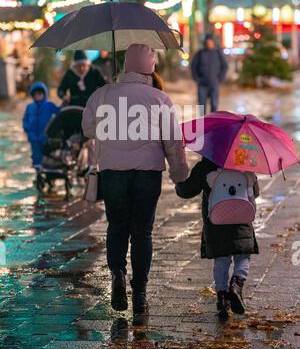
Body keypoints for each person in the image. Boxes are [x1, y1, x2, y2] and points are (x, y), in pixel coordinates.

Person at [82, 43, 188, 325]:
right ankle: (139, 293)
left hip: (113, 172)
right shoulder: (159, 98)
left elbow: (88, 128)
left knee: (117, 226)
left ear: (126, 65)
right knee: (142, 233)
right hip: (147, 174)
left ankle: (117, 274)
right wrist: (179, 173)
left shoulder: (103, 93)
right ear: (151, 68)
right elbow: (172, 141)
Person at [176, 157, 260, 320]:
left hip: (216, 222)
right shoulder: (244, 162)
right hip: (241, 220)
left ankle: (221, 297)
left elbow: (186, 191)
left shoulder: (205, 166)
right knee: (243, 255)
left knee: (222, 258)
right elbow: (255, 192)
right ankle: (237, 284)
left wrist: (179, 180)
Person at [23, 82, 59, 169]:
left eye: (40, 94)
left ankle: (47, 170)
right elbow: (25, 119)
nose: (37, 96)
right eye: (35, 94)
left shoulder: (49, 105)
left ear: (44, 94)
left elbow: (59, 112)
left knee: (47, 155)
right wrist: (27, 128)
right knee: (36, 156)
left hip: (45, 136)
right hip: (33, 137)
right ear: (32, 95)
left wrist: (66, 103)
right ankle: (38, 171)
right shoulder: (30, 106)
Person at [191, 34, 228, 114]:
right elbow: (193, 67)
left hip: (214, 84)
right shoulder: (200, 53)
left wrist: (220, 78)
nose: (209, 44)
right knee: (201, 106)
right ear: (205, 43)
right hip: (202, 84)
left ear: (213, 43)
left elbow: (224, 66)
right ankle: (201, 124)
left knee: (214, 105)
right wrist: (196, 78)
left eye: (210, 42)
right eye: (207, 42)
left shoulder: (218, 53)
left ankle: (212, 124)